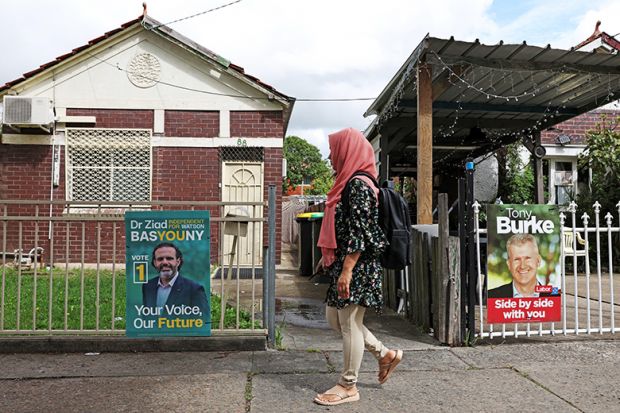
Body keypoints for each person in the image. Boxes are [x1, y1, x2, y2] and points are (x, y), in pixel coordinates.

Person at [313, 127, 403, 406]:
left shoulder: (358, 185)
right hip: (349, 261)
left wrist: (348, 268)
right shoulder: (350, 183)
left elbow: (362, 233)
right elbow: (346, 228)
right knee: (334, 318)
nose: (330, 156)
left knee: (350, 322)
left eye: (333, 150)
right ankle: (385, 354)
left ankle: (348, 385)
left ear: (347, 151)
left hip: (359, 266)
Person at [142, 242, 209, 318]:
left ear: (178, 262)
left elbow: (203, 323)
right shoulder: (147, 286)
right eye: (160, 259)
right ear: (155, 262)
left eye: (169, 258)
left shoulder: (194, 289)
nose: (164, 262)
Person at [488, 233, 547, 298]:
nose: (522, 266)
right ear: (509, 264)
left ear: (538, 261)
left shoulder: (556, 297)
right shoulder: (491, 297)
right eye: (517, 259)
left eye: (527, 258)